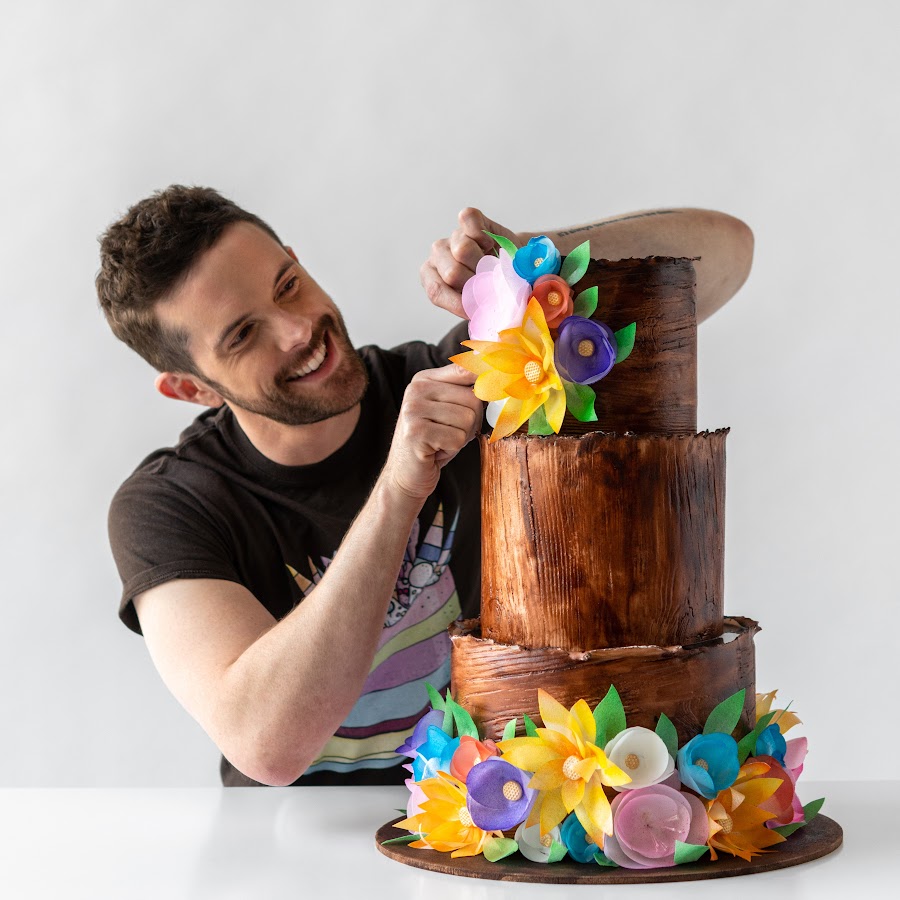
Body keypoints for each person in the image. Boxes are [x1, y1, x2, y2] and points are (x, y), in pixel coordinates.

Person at [99, 186, 753, 786]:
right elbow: (267, 748)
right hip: (294, 841)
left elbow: (724, 255)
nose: (297, 330)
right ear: (190, 387)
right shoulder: (168, 506)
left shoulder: (464, 377)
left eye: (288, 286)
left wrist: (530, 266)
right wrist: (399, 488)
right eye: (244, 335)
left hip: (496, 822)